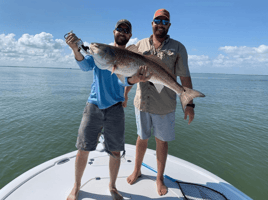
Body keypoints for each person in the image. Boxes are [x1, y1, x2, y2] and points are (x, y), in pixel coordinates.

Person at [65, 19, 151, 200]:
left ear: (129, 36)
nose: (122, 32)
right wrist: (75, 49)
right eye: (119, 29)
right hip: (94, 105)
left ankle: (112, 187)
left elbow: (125, 81)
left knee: (115, 151)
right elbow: (84, 65)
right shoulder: (101, 51)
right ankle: (76, 186)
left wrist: (136, 79)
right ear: (114, 32)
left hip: (115, 108)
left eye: (126, 31)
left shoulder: (130, 56)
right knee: (82, 148)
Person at [125, 9, 195, 196]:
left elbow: (184, 76)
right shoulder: (139, 45)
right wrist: (125, 94)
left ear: (169, 25)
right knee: (141, 138)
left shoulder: (178, 48)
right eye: (157, 20)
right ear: (152, 23)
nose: (161, 24)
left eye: (165, 22)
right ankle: (137, 170)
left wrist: (189, 104)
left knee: (161, 142)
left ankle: (159, 178)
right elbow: (130, 71)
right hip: (142, 102)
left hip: (165, 104)